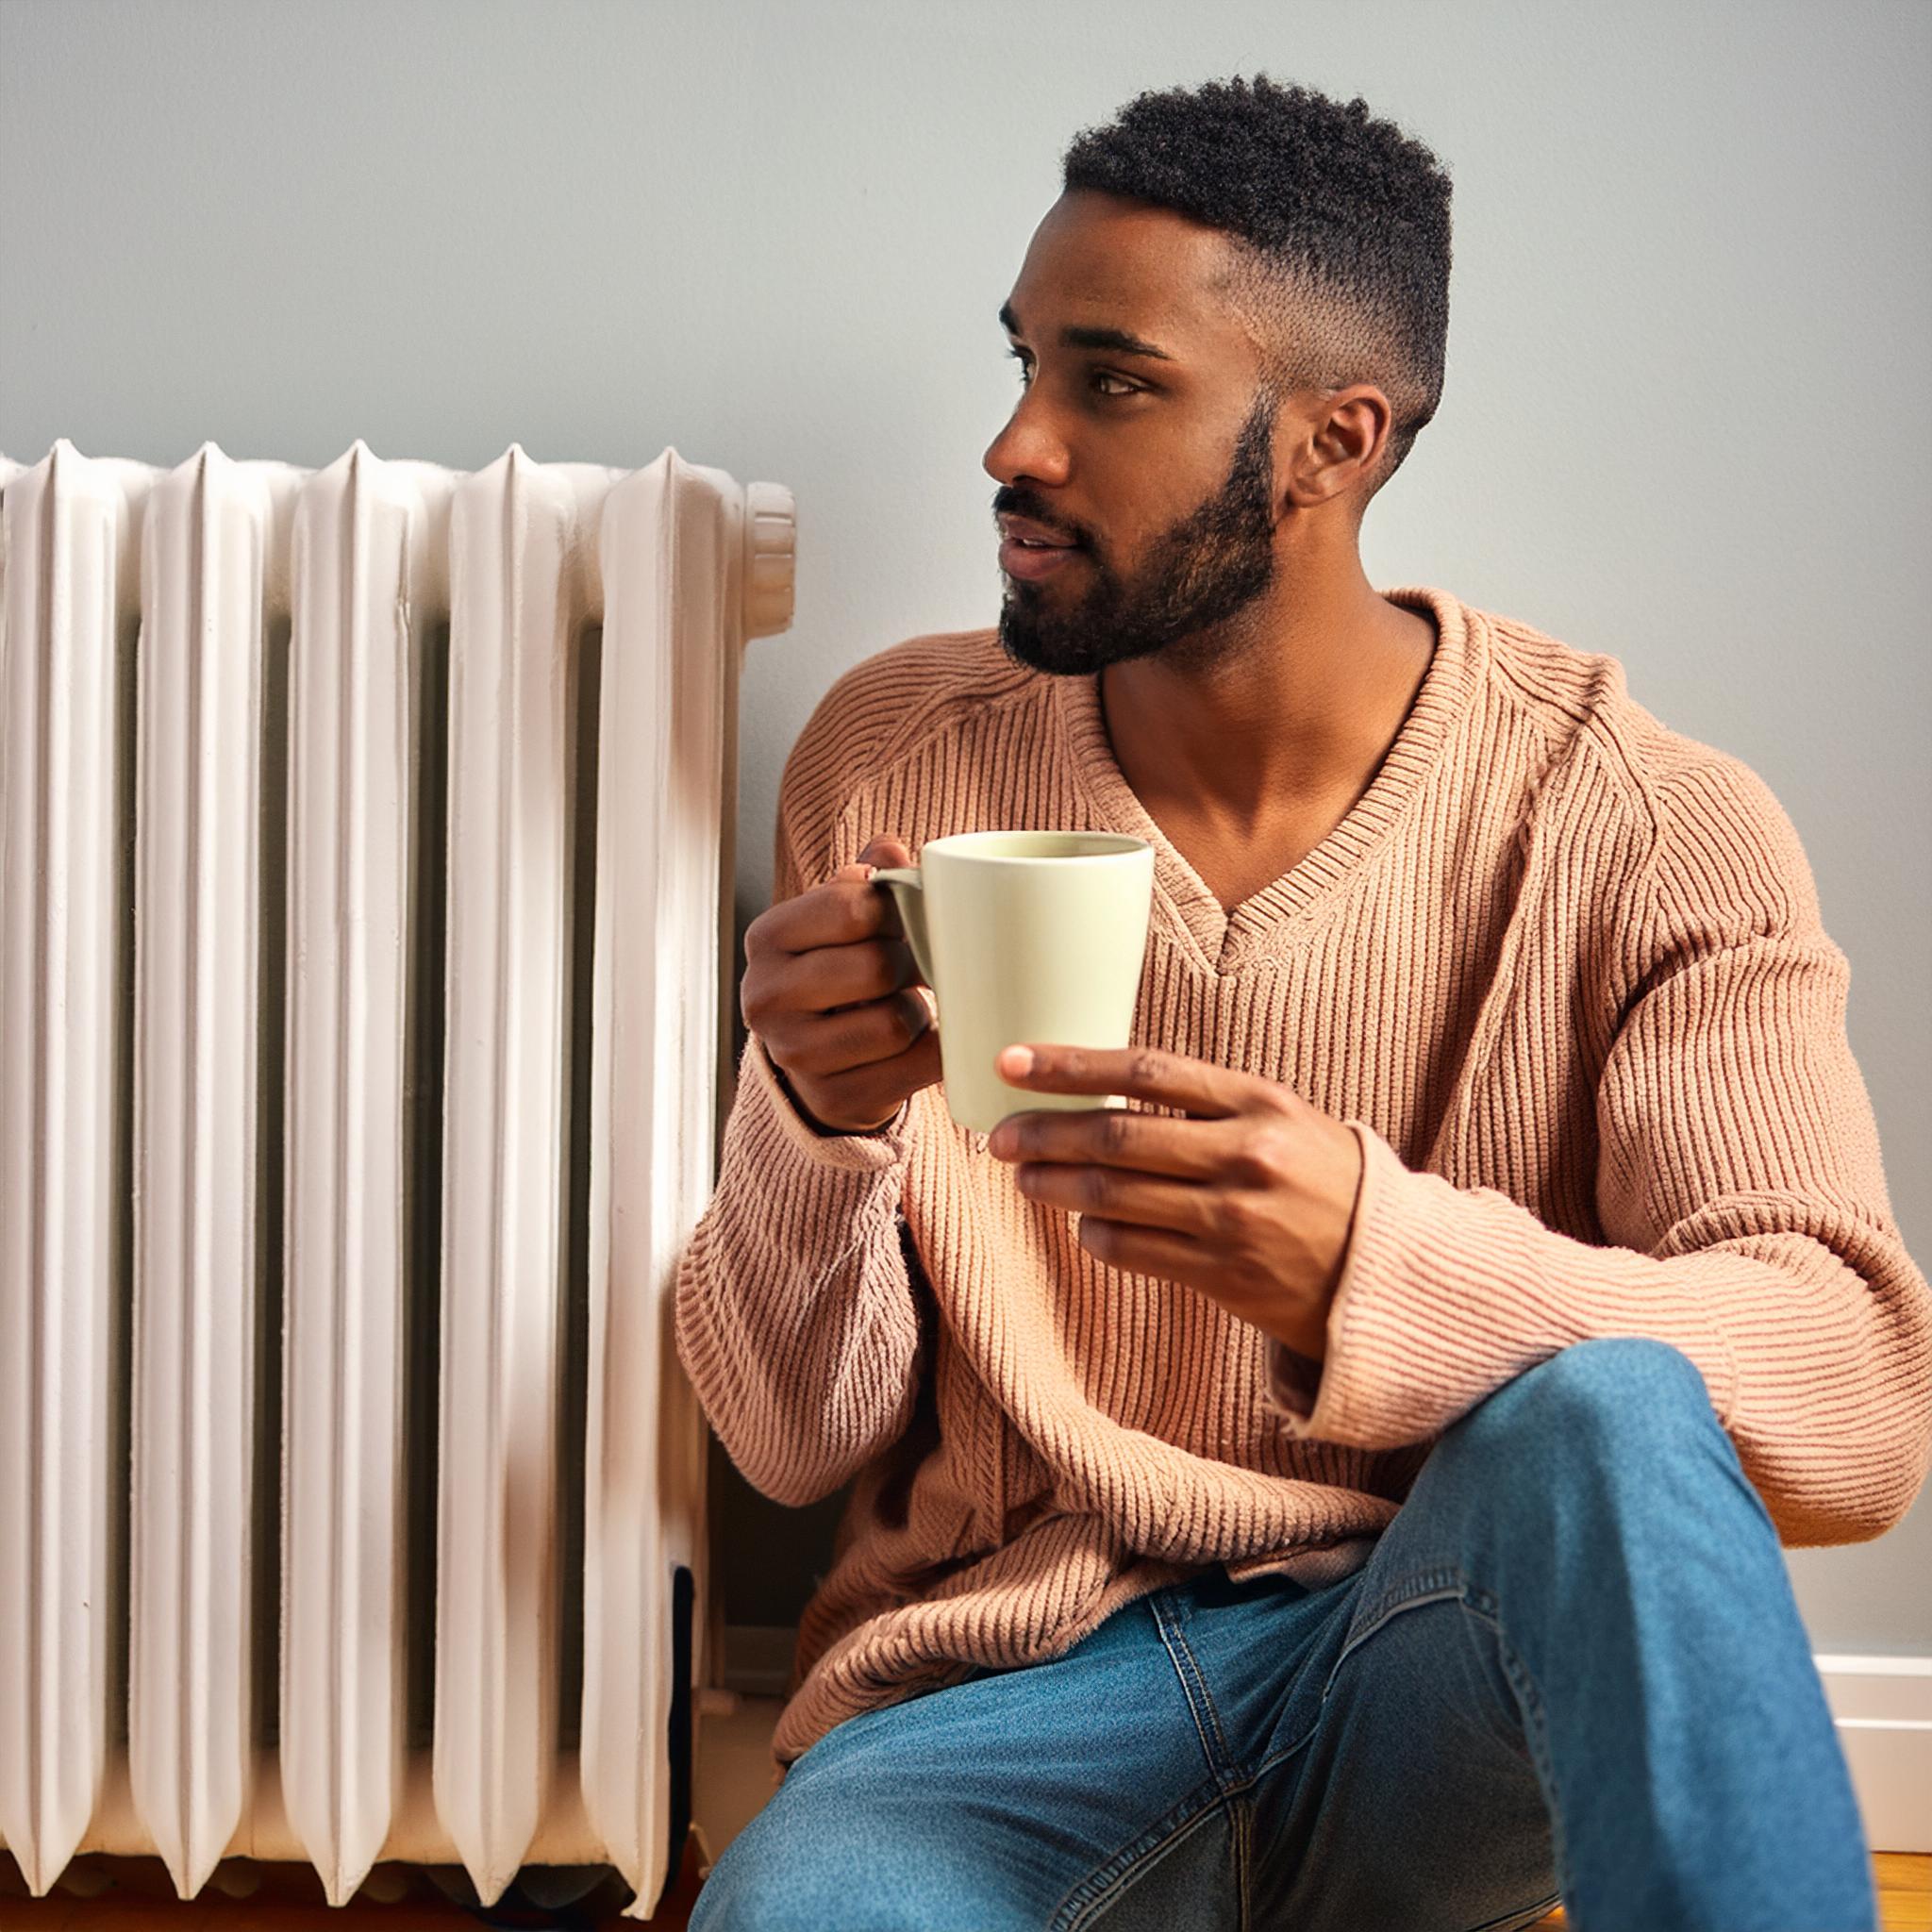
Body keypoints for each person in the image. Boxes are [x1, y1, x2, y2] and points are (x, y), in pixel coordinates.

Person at [675, 75, 1929, 1931]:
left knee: (1613, 1415)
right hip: (991, 1715)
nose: (1014, 444)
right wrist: (814, 1122)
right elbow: (788, 1438)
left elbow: (1855, 1395)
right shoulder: (897, 758)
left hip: (1419, 1673)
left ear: (1325, 444)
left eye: (1110, 381)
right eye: (1023, 362)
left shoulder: (1645, 821)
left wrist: (1375, 1263)